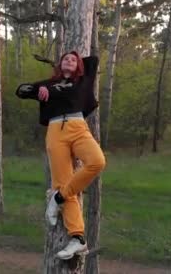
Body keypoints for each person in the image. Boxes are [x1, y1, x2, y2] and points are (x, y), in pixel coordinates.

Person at [15, 51, 106, 260]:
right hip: (56, 131)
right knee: (63, 181)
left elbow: (93, 60)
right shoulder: (49, 83)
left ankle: (58, 198)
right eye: (66, 59)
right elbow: (20, 91)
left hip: (78, 127)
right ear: (59, 64)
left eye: (73, 60)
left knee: (97, 161)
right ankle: (78, 239)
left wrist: (73, 64)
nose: (70, 61)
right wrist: (39, 90)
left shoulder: (83, 80)